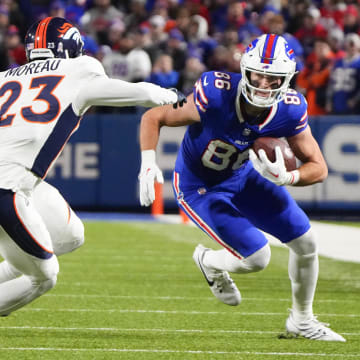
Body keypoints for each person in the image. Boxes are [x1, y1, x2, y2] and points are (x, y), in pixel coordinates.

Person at [138, 34, 346, 342]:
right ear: (244, 70)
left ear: (286, 79)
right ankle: (208, 261)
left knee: (306, 243)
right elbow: (155, 116)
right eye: (258, 73)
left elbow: (319, 168)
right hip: (200, 185)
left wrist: (288, 178)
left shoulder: (290, 110)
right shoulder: (215, 93)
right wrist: (147, 161)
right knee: (256, 258)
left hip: (245, 175)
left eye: (273, 77)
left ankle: (301, 321)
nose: (263, 83)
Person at [0, 16, 186, 317]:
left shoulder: (5, 77)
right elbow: (135, 93)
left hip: (22, 182)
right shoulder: (80, 68)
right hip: (8, 188)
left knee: (69, 235)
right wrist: (170, 96)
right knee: (44, 276)